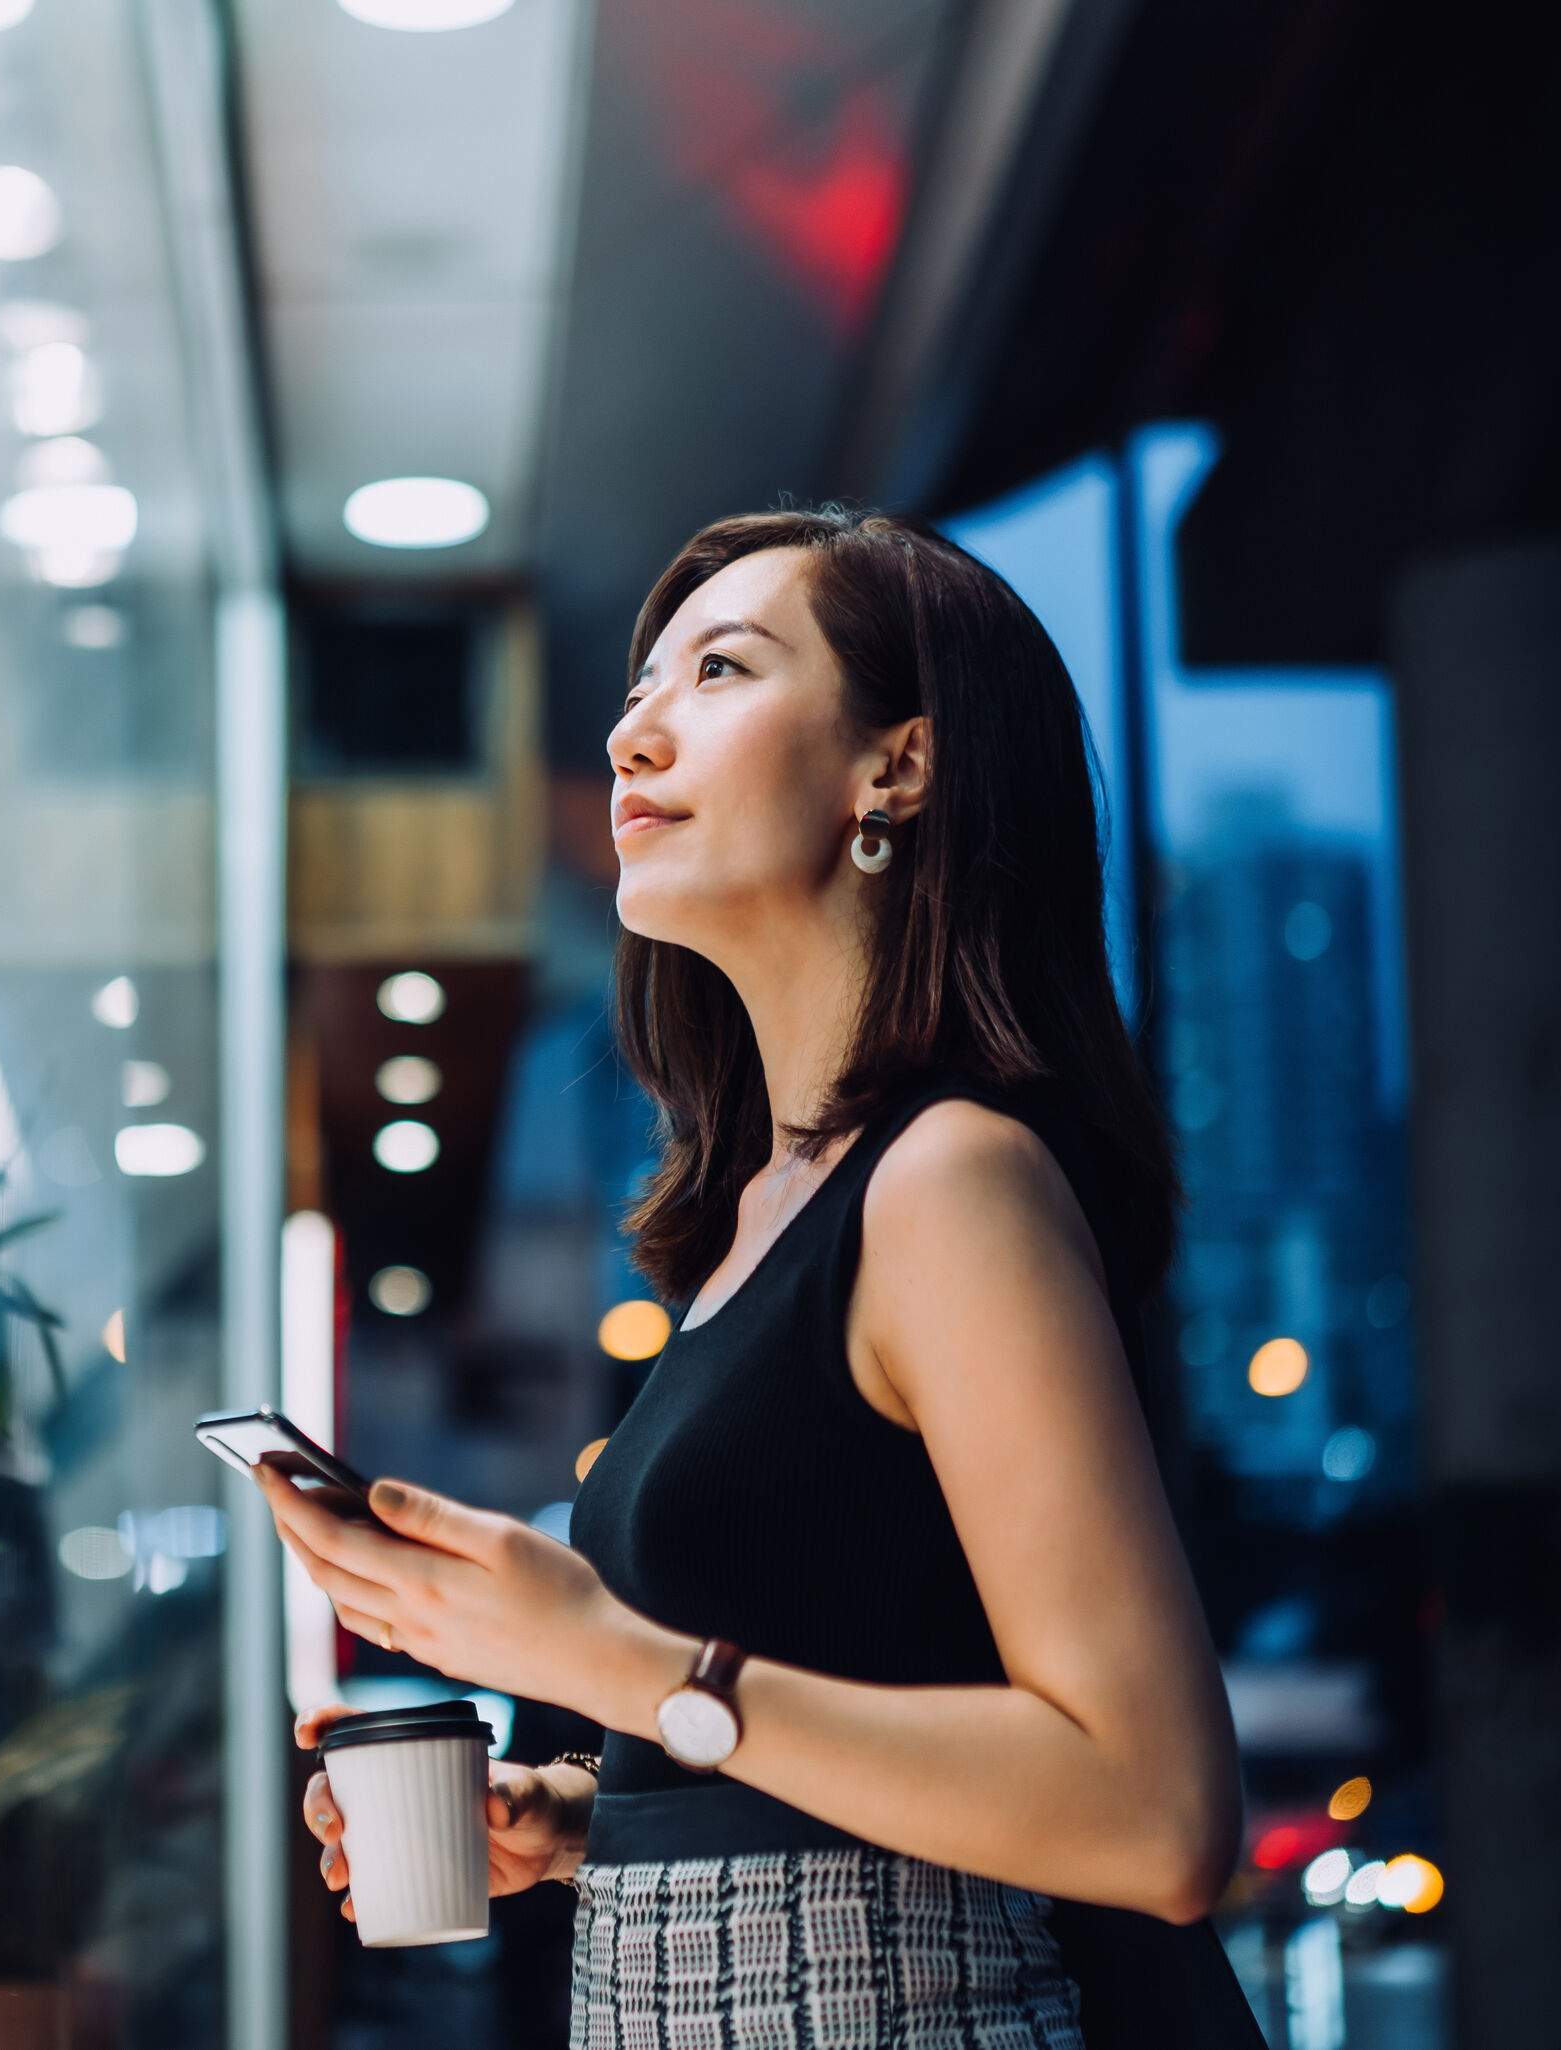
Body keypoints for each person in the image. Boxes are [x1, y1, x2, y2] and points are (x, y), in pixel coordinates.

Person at [258, 508, 1263, 2047]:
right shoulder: (760, 1219)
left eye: (718, 671)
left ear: (898, 766)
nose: (631, 734)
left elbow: (1157, 1810)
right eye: (638, 688)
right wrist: (589, 1816)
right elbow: (873, 1708)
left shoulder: (949, 1180)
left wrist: (617, 1661)